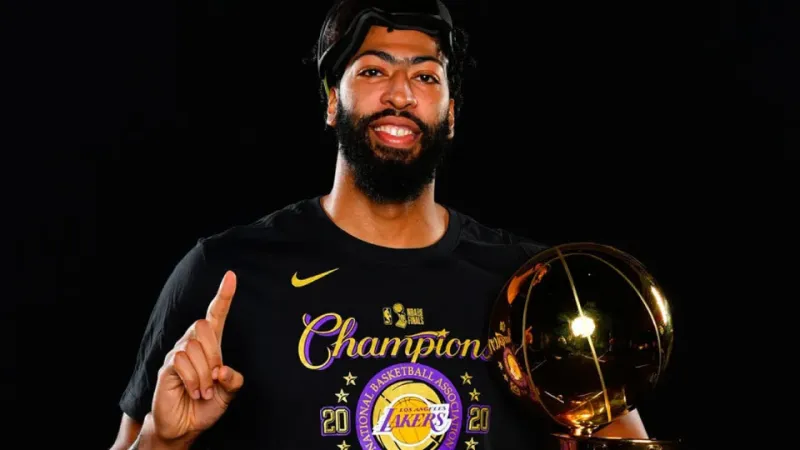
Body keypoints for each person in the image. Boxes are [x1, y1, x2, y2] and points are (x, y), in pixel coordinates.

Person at [111, 0, 649, 448]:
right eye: (373, 71)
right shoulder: (224, 273)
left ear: (451, 114)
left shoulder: (534, 286)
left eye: (425, 76)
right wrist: (163, 440)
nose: (400, 94)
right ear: (332, 101)